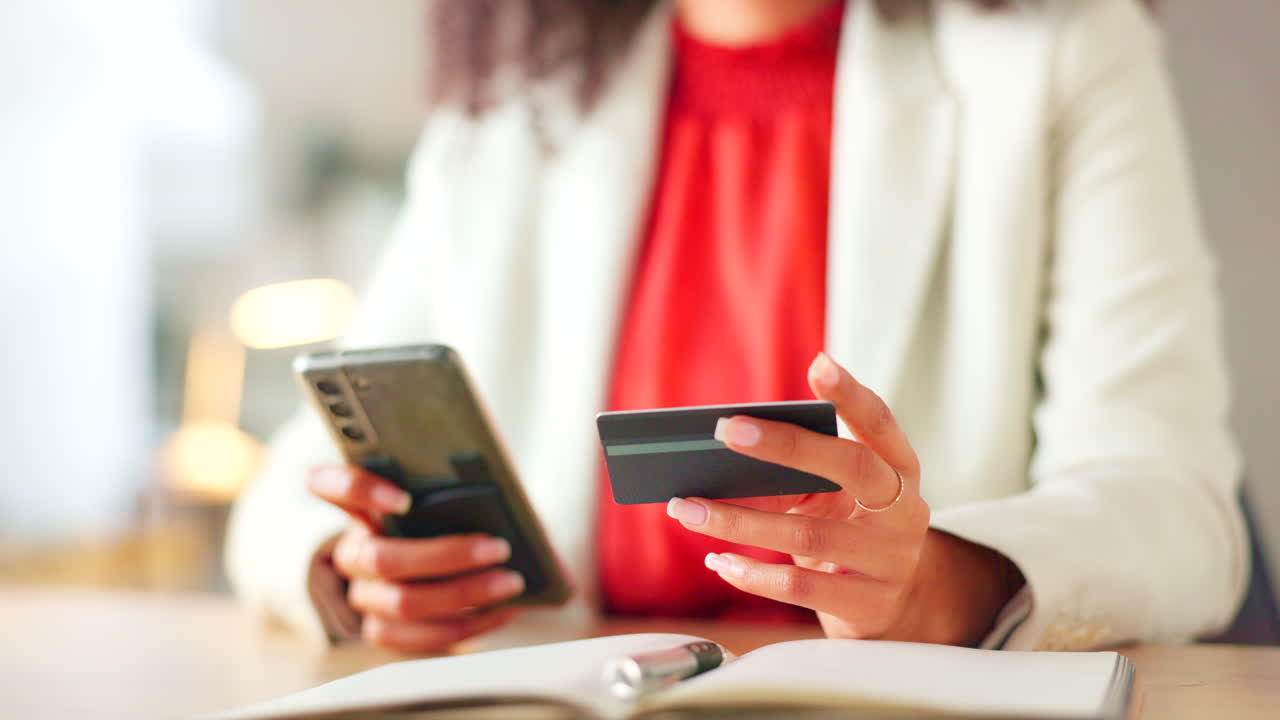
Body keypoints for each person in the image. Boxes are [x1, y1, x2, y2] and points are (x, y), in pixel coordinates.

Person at [226, 0, 1247, 654]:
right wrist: (352, 571)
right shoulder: (509, 96)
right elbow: (288, 486)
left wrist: (942, 585)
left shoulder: (1064, 50)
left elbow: (1178, 509)